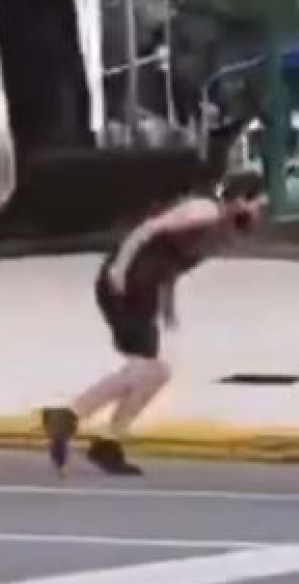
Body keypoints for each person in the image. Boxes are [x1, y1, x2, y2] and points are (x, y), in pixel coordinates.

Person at [42, 172, 268, 477]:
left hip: (144, 288)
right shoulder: (204, 211)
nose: (258, 214)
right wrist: (119, 269)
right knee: (148, 368)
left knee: (154, 373)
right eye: (257, 205)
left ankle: (107, 441)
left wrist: (168, 305)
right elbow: (147, 230)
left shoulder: (220, 231)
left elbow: (171, 263)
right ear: (241, 200)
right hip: (126, 283)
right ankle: (69, 416)